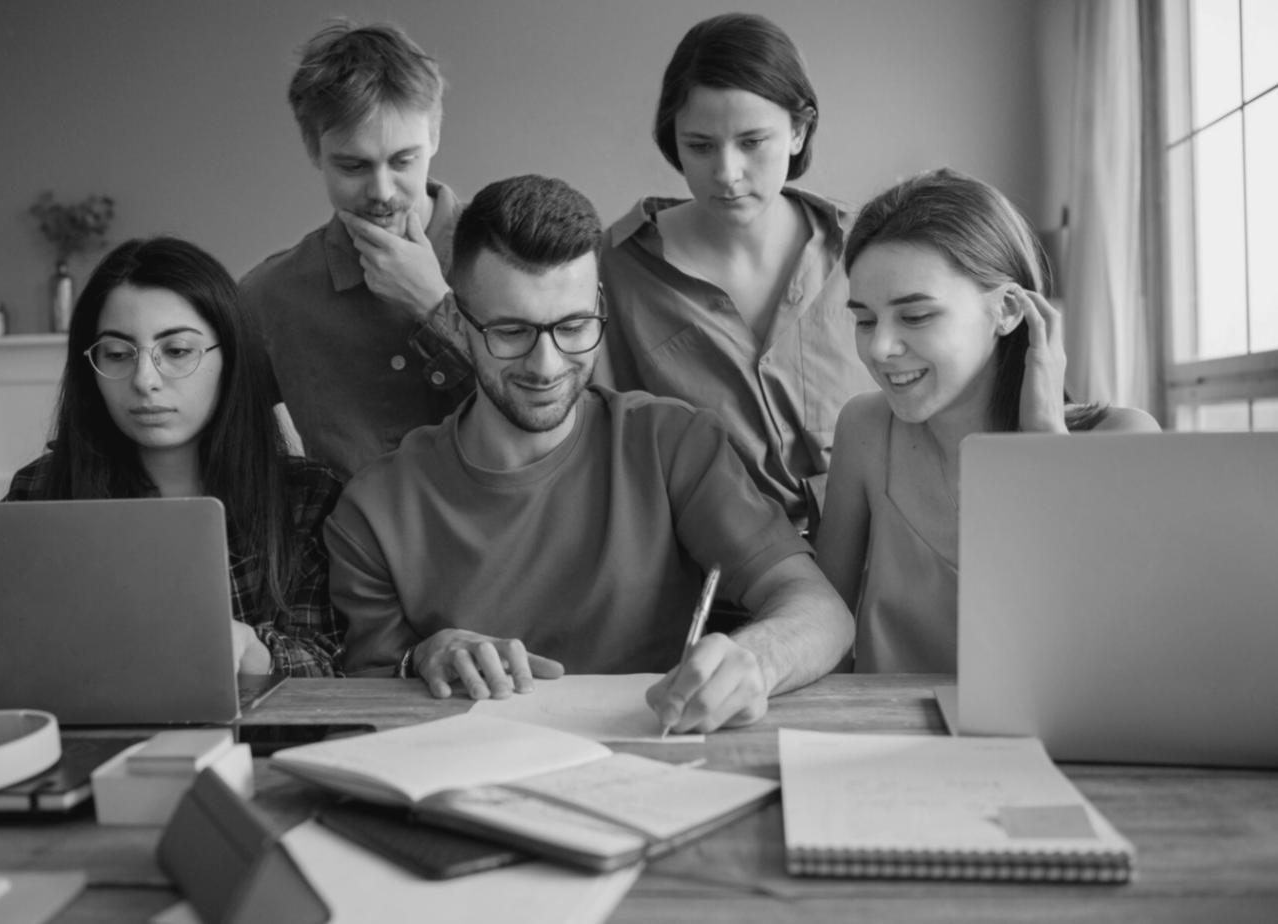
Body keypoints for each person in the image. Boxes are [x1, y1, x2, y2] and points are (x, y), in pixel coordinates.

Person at [329, 175, 854, 733]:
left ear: (599, 307)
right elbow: (365, 699)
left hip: (659, 756)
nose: (547, 365)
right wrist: (420, 659)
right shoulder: (374, 511)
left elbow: (822, 612)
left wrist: (757, 660)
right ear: (458, 321)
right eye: (511, 331)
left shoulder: (672, 443)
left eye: (574, 326)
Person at [813, 168, 1160, 673]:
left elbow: (1121, 655)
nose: (880, 348)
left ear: (1008, 310)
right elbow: (821, 630)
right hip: (885, 722)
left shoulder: (1123, 439)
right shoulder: (865, 428)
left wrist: (1045, 440)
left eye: (915, 316)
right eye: (865, 320)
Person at [7, 236, 345, 676]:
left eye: (178, 351)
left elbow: (336, 667)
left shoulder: (307, 497)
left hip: (256, 725)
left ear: (231, 357)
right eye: (117, 354)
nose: (144, 379)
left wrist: (250, 649)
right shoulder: (38, 491)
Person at [599, 12, 873, 536]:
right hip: (711, 565)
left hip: (879, 553)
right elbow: (604, 445)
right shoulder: (618, 266)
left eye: (751, 142)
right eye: (700, 146)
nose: (726, 173)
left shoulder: (866, 248)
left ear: (798, 131)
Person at [239, 19, 473, 480]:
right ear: (314, 152)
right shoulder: (269, 296)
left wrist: (436, 307)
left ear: (434, 138)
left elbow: (561, 426)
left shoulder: (511, 258)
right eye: (353, 166)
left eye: (403, 160)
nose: (381, 191)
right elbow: (221, 441)